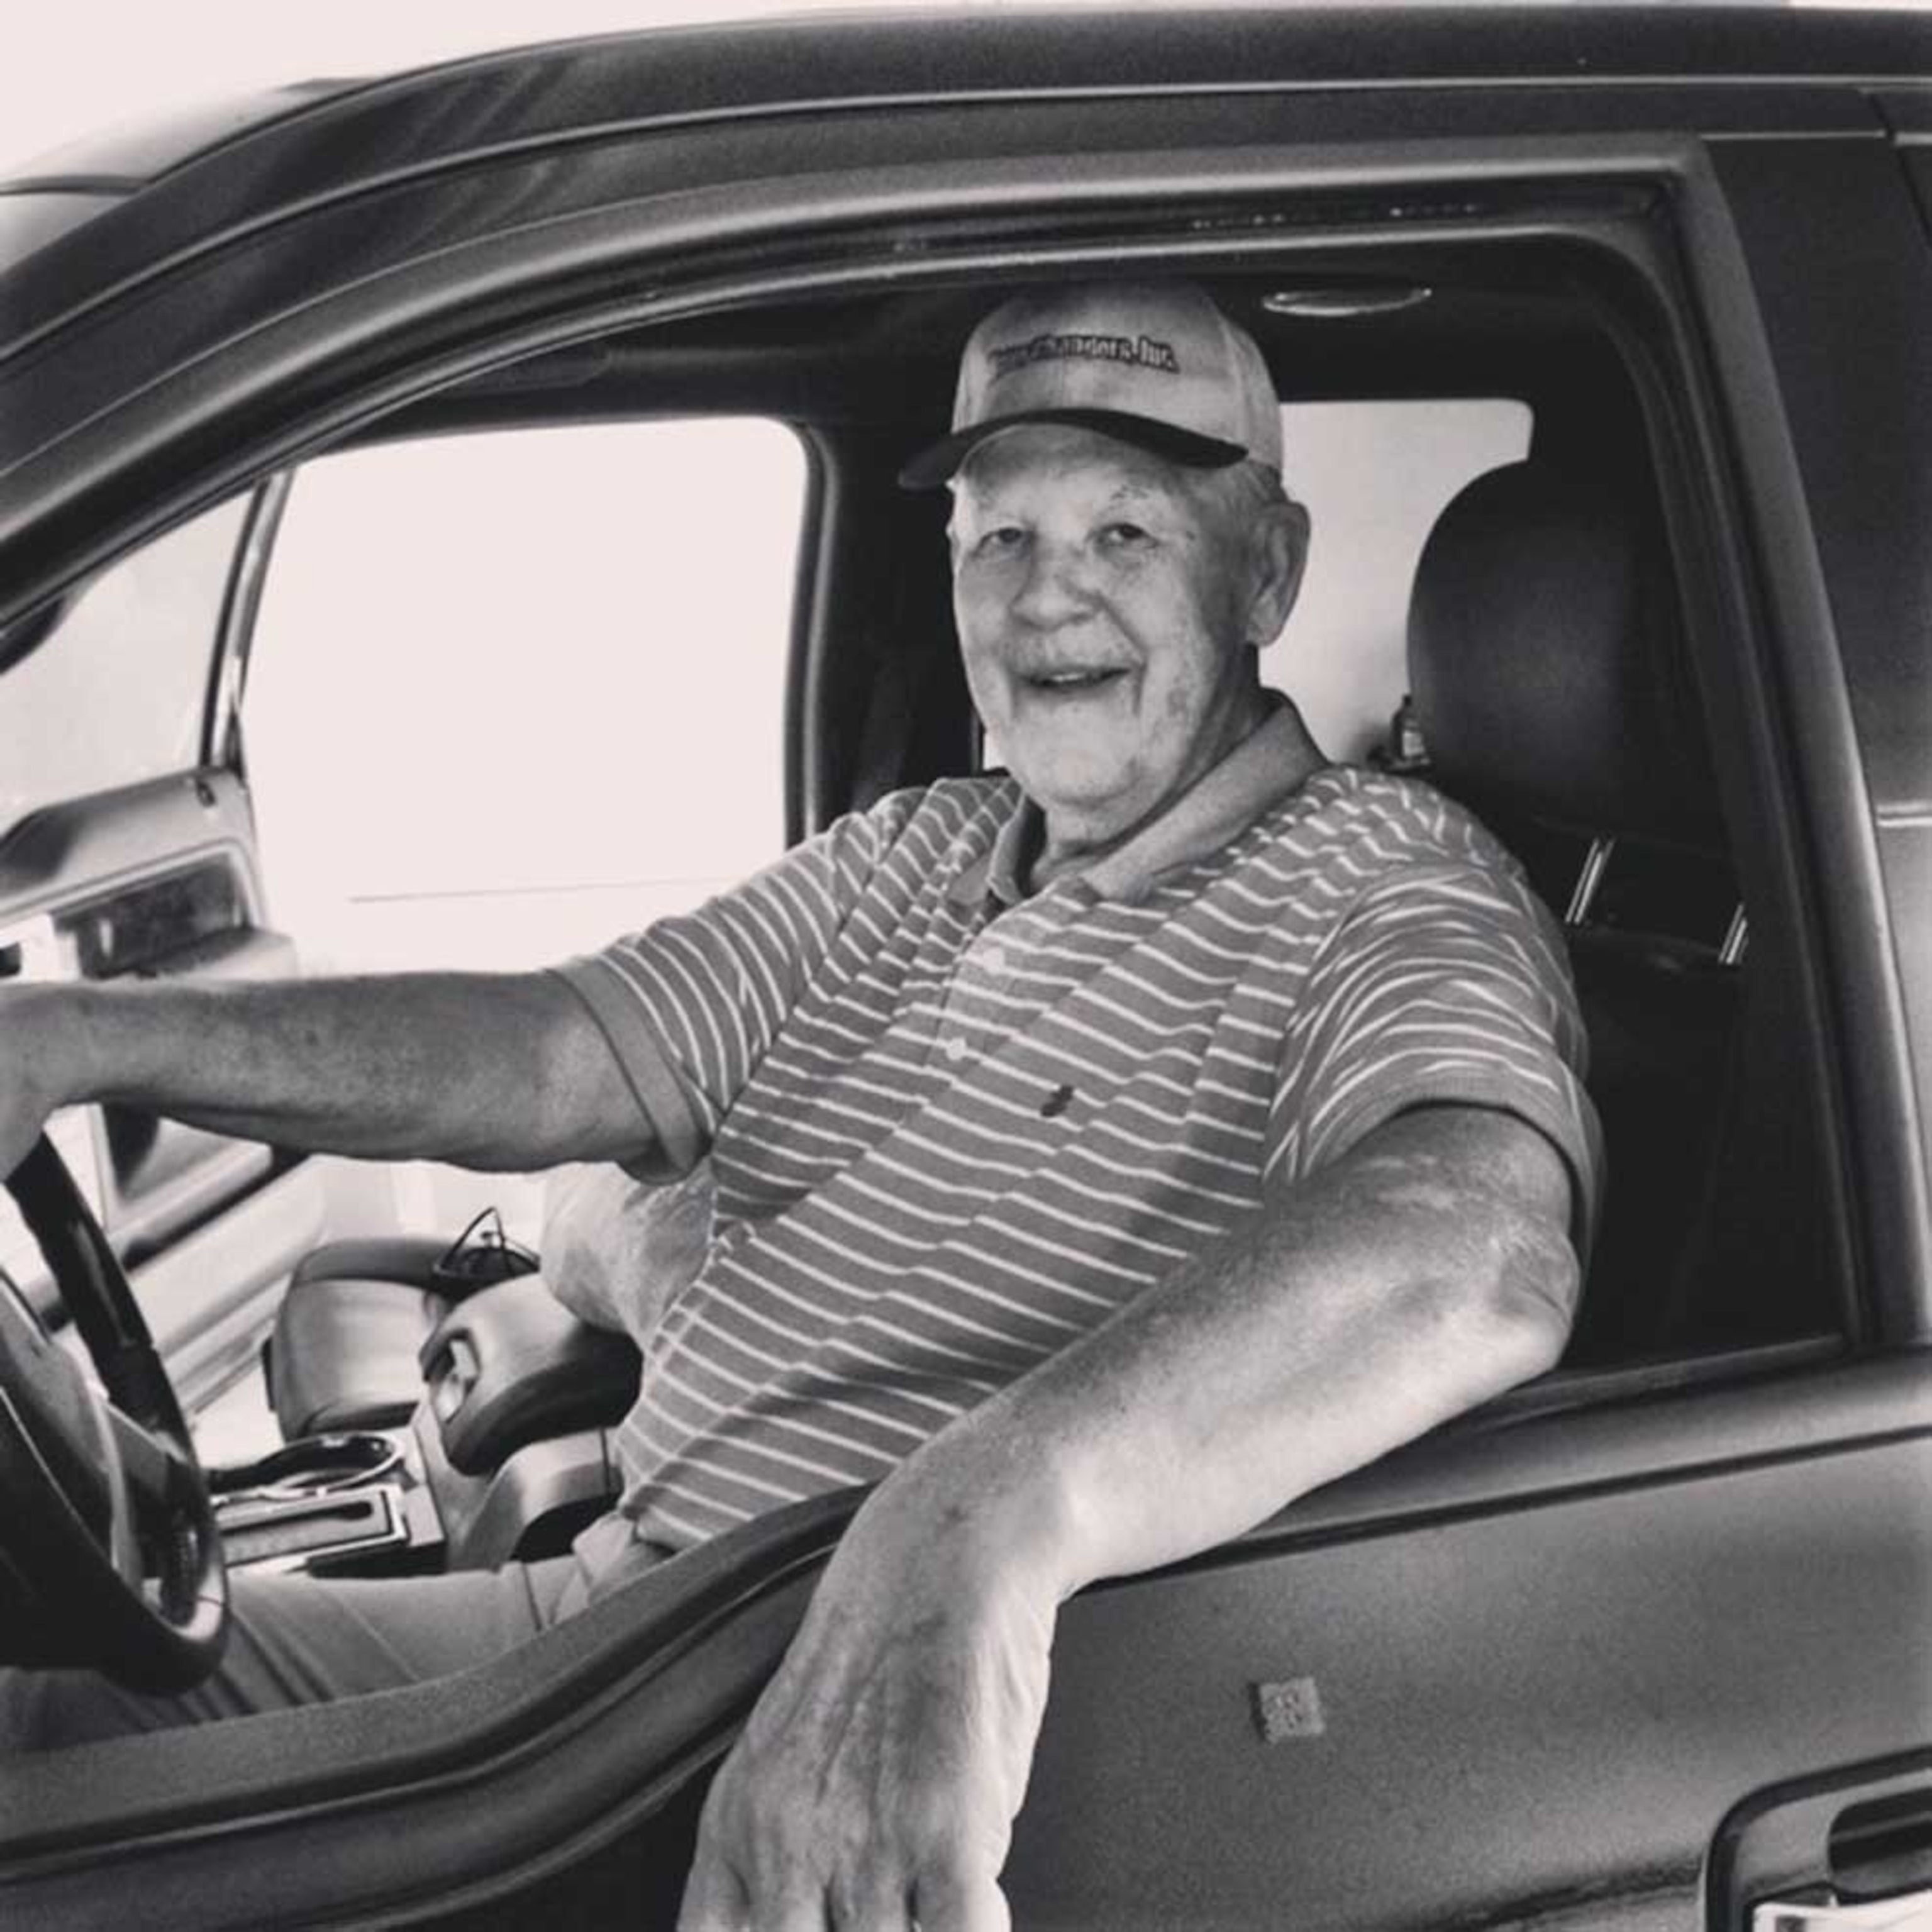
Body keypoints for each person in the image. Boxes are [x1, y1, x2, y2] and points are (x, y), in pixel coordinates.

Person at [0, 282, 1600, 1930]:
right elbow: (555, 1050)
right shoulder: (907, 855)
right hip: (613, 1624)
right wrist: (83, 1038)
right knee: (41, 1707)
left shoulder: (1386, 879)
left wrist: (976, 1512)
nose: (1051, 599)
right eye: (999, 538)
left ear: (1264, 569)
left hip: (787, 1707)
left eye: (1127, 531)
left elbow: (1476, 1245)